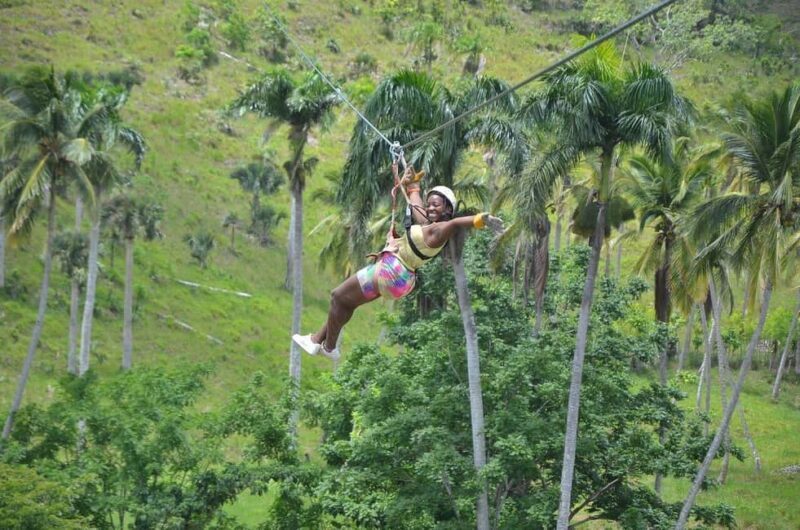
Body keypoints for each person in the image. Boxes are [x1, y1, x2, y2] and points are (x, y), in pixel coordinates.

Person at [292, 164, 503, 361]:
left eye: (436, 205)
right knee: (346, 302)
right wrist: (413, 185)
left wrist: (481, 219)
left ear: (447, 210)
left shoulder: (440, 230)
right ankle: (315, 340)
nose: (430, 208)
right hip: (400, 280)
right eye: (430, 204)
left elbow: (458, 223)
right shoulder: (427, 226)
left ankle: (329, 347)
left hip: (391, 272)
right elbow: (416, 203)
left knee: (337, 295)